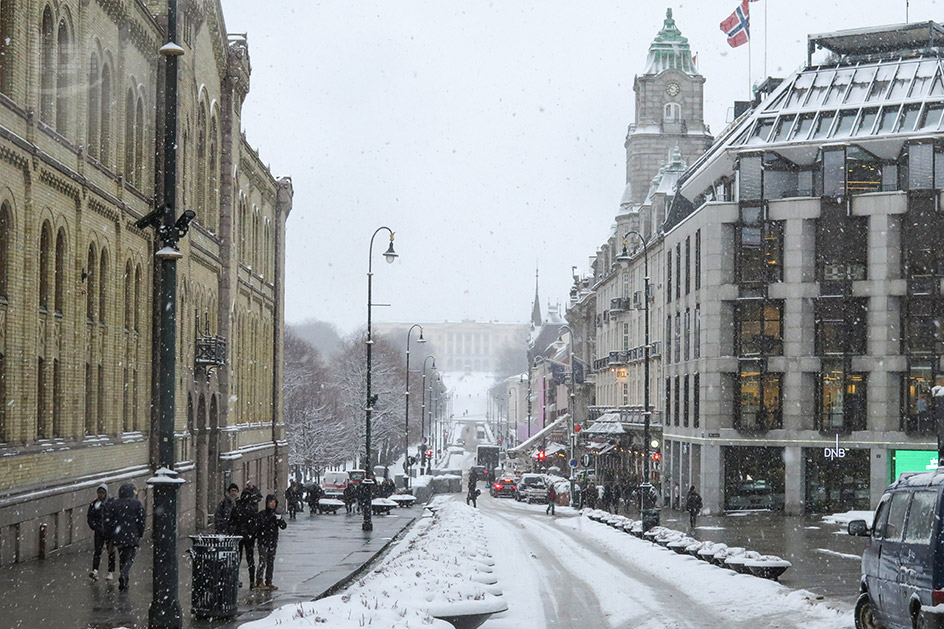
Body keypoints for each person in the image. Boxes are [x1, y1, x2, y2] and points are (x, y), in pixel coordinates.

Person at [103, 483, 146, 592]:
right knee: (130, 557)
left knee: (122, 557)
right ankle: (124, 574)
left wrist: (110, 536)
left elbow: (108, 521)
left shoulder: (114, 504)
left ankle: (125, 582)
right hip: (132, 535)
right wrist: (140, 533)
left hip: (118, 536)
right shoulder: (136, 504)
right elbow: (141, 520)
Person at [253, 494, 287, 590]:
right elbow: (258, 526)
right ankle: (259, 581)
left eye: (274, 502)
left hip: (272, 541)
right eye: (271, 502)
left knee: (270, 562)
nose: (272, 504)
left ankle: (269, 581)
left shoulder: (276, 515)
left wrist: (279, 519)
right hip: (263, 541)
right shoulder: (262, 514)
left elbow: (283, 526)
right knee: (262, 561)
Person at [230, 489, 259, 588]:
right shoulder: (251, 508)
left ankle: (235, 579)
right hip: (248, 537)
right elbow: (255, 523)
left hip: (239, 536)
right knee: (250, 559)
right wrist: (252, 533)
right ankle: (252, 581)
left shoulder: (237, 507)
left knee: (237, 558)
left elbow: (231, 522)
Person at [87, 483, 115, 581]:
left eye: (102, 493)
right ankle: (95, 571)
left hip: (109, 532)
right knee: (97, 551)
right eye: (99, 493)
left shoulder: (111, 503)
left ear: (106, 493)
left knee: (110, 552)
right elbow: (90, 517)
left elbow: (115, 516)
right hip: (99, 532)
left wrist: (112, 528)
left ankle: (110, 572)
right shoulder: (94, 504)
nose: (100, 495)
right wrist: (95, 527)